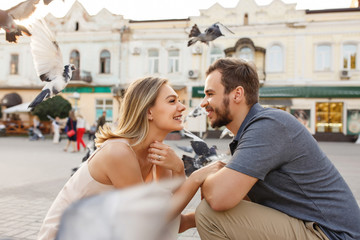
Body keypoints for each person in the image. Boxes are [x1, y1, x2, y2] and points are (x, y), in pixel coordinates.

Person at [37, 77, 224, 240]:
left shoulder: (158, 153)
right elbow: (149, 221)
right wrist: (196, 177)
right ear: (148, 111)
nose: (182, 107)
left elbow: (168, 215)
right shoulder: (119, 151)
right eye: (172, 101)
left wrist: (178, 169)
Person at [195, 58, 360, 240]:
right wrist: (182, 220)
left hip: (332, 234)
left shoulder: (268, 125)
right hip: (319, 229)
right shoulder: (254, 130)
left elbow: (220, 198)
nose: (203, 103)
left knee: (209, 215)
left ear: (237, 94)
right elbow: (242, 202)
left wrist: (200, 177)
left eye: (210, 94)